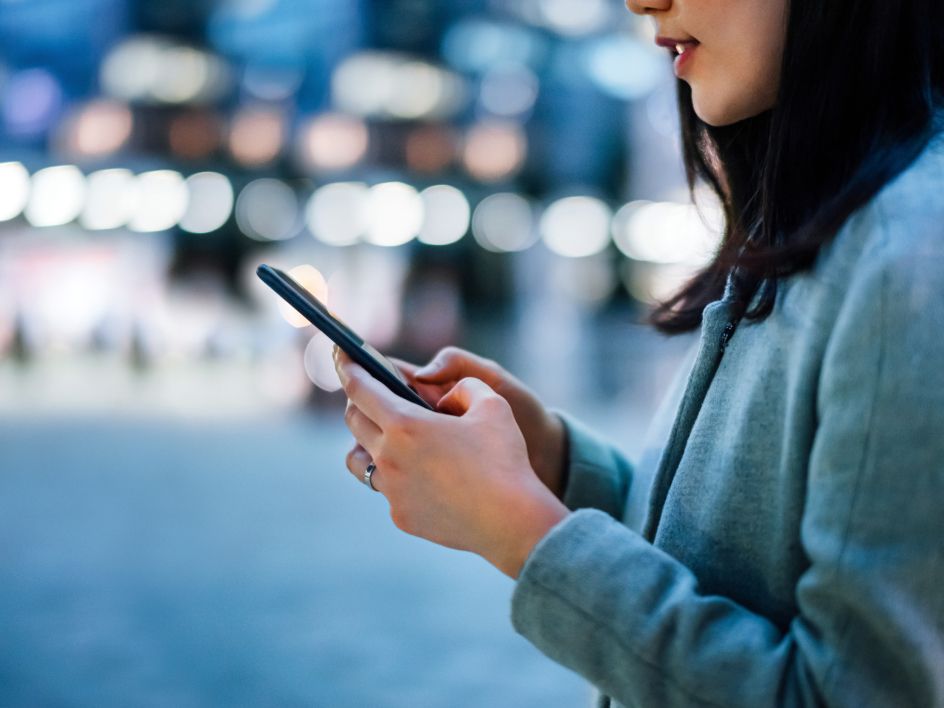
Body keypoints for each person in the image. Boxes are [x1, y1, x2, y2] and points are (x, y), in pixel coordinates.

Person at [332, 0, 944, 704]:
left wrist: (521, 532)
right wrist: (556, 464)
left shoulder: (911, 255)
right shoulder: (832, 211)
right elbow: (745, 562)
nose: (641, 0)